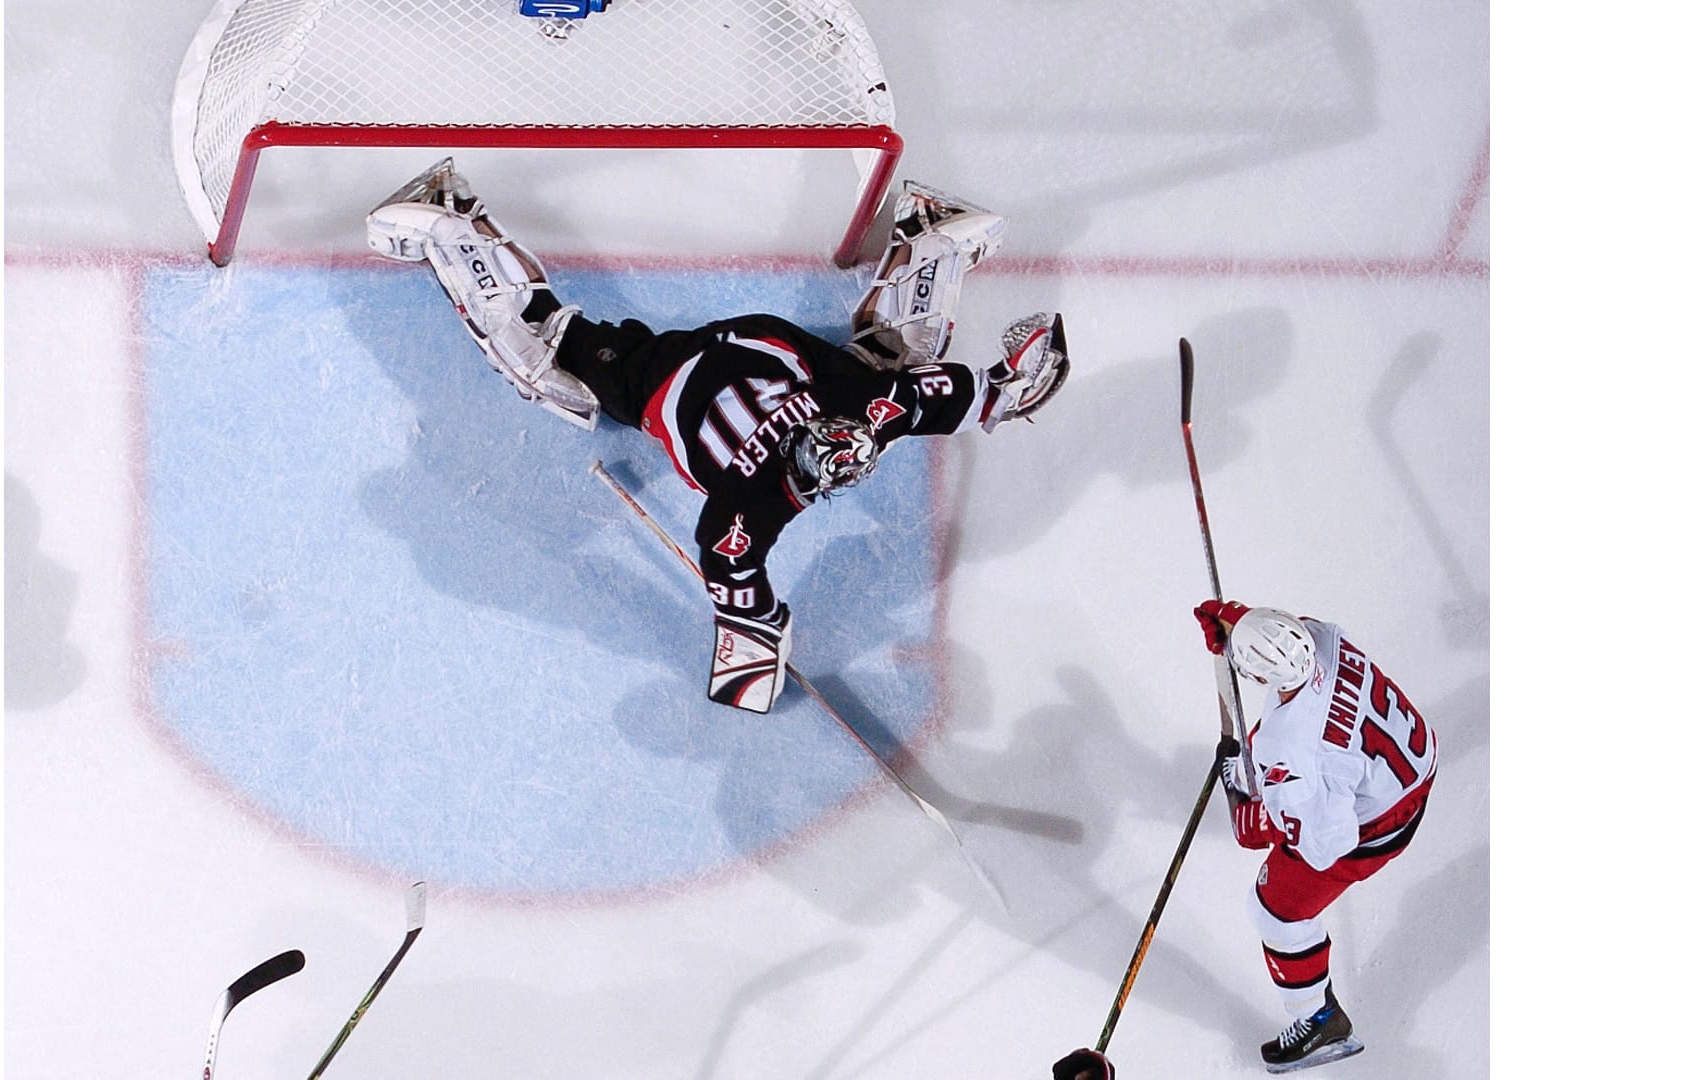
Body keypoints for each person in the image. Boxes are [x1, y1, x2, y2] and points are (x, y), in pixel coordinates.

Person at [366, 157, 1070, 713]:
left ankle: (933, 235)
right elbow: (733, 578)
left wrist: (1014, 384)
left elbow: (952, 395)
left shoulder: (865, 413)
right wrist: (751, 646)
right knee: (541, 362)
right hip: (670, 377)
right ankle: (449, 221)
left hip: (759, 347)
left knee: (897, 364)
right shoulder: (750, 502)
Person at [1192, 600, 1439, 1074]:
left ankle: (1320, 1021)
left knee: (1274, 911)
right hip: (1413, 760)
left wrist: (1257, 819)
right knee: (1283, 741)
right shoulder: (1322, 638)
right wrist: (1237, 622)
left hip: (1379, 823)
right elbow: (1284, 645)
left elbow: (1326, 843)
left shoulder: (1296, 750)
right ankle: (1268, 780)